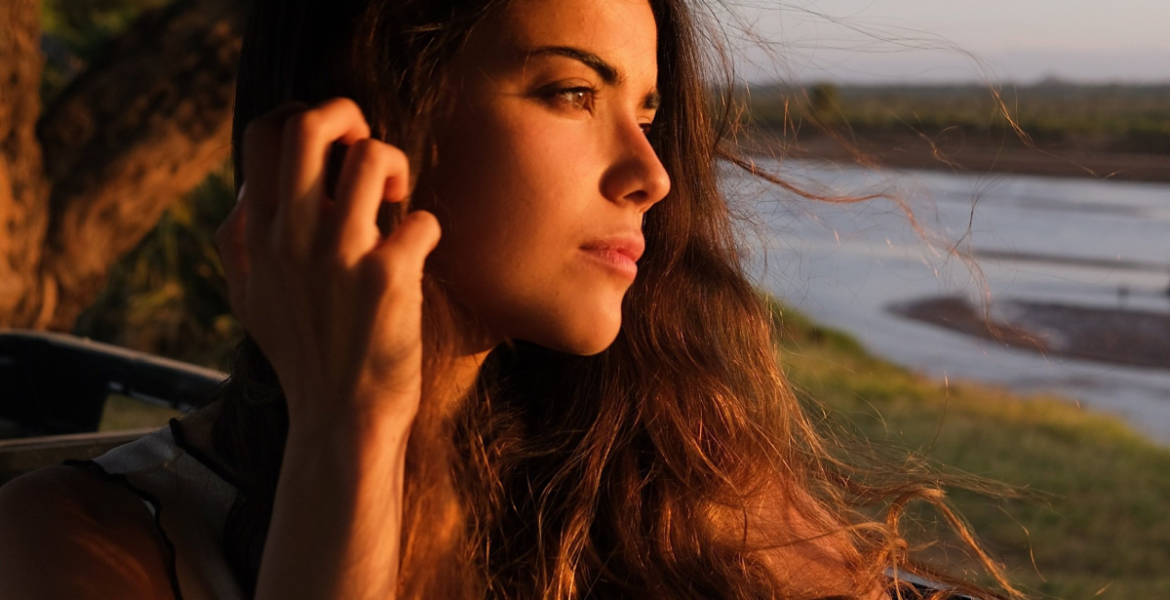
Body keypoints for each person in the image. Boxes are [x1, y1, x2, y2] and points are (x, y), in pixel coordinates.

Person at [0, 0, 1003, 598]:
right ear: (370, 122)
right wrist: (352, 426)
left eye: (646, 110)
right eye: (573, 94)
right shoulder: (86, 541)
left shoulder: (661, 483)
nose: (651, 174)